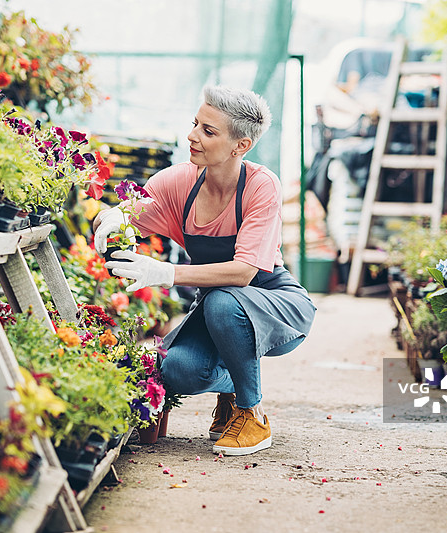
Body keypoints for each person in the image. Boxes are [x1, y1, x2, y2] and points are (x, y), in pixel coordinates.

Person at [93, 85, 316, 456]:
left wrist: (166, 273)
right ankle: (231, 385)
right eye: (196, 124)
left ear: (240, 146)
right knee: (177, 371)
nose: (192, 136)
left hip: (274, 303)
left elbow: (244, 273)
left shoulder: (261, 186)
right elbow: (133, 214)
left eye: (208, 131)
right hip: (217, 308)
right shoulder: (180, 180)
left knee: (223, 304)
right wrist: (115, 216)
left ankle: (251, 414)